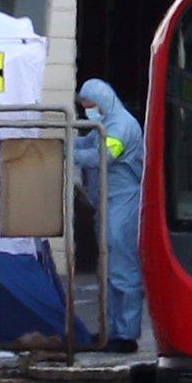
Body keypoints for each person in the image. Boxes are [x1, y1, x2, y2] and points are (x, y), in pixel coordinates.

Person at [74, 79, 145, 353]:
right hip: (108, 203)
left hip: (123, 205)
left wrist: (69, 152)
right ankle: (111, 330)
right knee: (107, 269)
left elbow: (104, 156)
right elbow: (86, 143)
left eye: (90, 106)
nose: (88, 112)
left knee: (122, 270)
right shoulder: (106, 122)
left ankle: (126, 334)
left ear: (102, 101)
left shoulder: (122, 126)